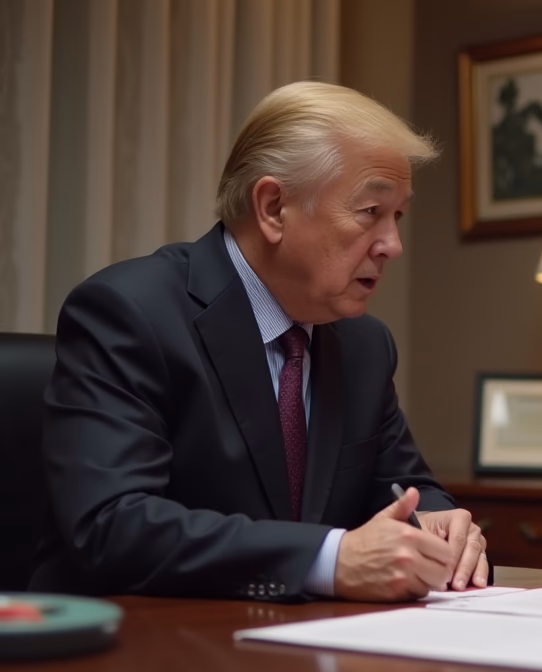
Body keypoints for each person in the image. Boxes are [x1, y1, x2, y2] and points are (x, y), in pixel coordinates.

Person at [30, 81, 488, 603]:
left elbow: (403, 486)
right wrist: (329, 561)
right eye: (370, 213)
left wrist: (438, 521)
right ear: (273, 207)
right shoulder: (129, 312)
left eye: (397, 216)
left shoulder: (365, 344)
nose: (392, 246)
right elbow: (111, 524)